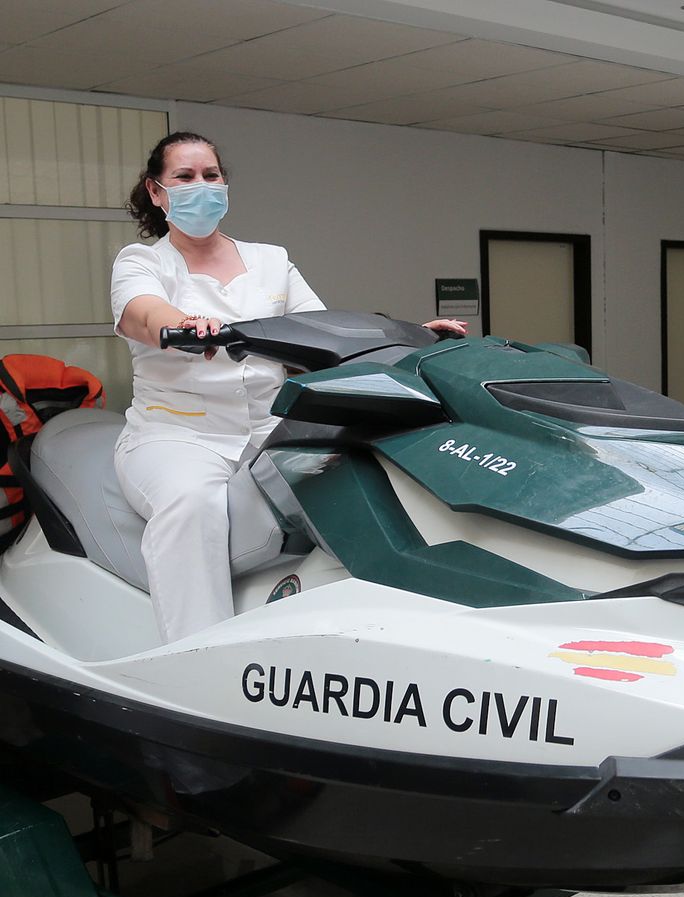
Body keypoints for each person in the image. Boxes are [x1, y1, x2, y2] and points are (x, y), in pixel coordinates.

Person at [112, 131, 464, 643]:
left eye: (211, 175)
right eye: (184, 177)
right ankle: (197, 652)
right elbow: (143, 313)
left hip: (266, 432)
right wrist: (180, 324)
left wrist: (406, 336)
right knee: (191, 506)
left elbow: (321, 331)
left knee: (360, 478)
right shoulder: (142, 261)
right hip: (177, 436)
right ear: (156, 191)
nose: (201, 186)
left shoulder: (271, 260)